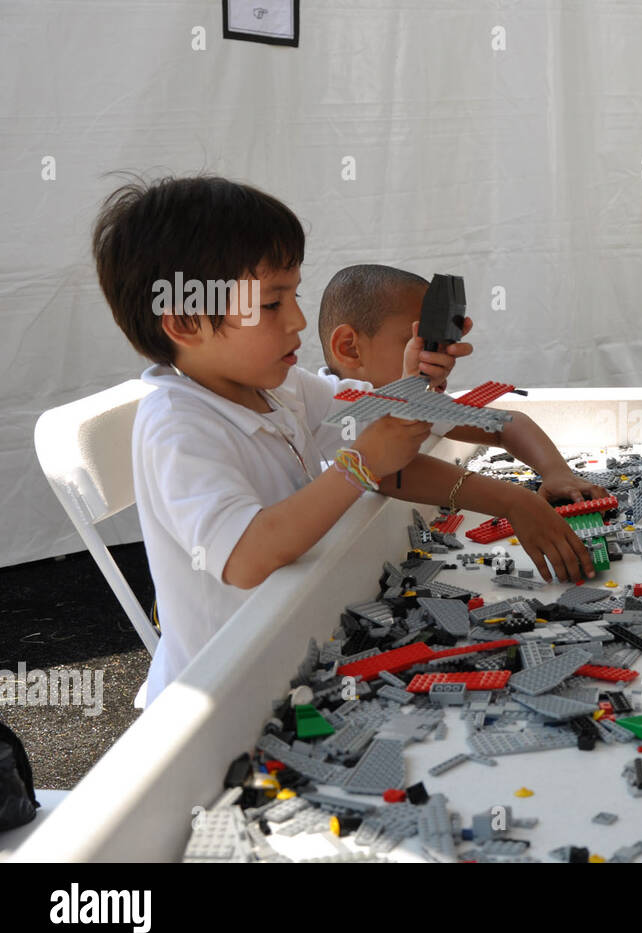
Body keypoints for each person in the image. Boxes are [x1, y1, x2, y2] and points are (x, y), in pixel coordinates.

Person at [93, 176, 594, 705]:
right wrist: (361, 462)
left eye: (295, 295)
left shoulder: (281, 387)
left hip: (291, 655)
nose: (298, 321)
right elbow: (245, 556)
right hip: (217, 703)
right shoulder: (175, 425)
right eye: (271, 305)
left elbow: (388, 418)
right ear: (186, 323)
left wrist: (415, 382)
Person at [317, 264, 603, 503]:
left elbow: (508, 424)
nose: (434, 357)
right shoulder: (325, 408)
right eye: (417, 343)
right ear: (350, 348)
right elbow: (387, 470)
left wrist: (557, 472)